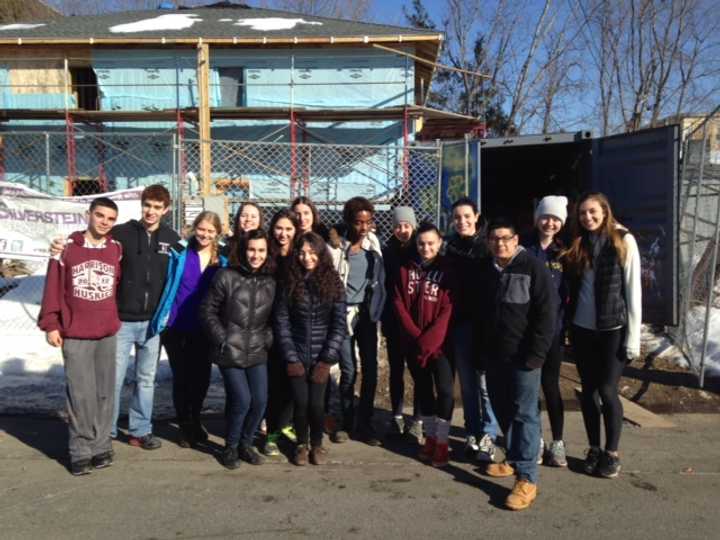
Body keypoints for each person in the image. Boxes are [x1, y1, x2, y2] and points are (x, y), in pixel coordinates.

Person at [52, 184, 180, 450]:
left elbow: (186, 264)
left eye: (157, 207)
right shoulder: (122, 233)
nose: (151, 211)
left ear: (166, 210)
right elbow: (91, 240)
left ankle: (140, 430)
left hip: (153, 323)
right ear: (141, 205)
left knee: (146, 379)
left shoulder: (172, 238)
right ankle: (105, 430)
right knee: (114, 378)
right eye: (147, 205)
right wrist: (65, 242)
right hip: (121, 320)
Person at [476, 217, 556, 511]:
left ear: (517, 240)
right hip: (496, 356)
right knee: (502, 409)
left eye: (506, 237)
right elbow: (482, 316)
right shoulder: (487, 270)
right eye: (495, 238)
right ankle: (512, 458)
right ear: (488, 242)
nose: (500, 243)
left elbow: (548, 314)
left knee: (525, 415)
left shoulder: (533, 268)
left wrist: (536, 355)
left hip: (524, 358)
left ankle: (527, 478)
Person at [38, 198, 123, 475]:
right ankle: (80, 450)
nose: (104, 222)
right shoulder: (67, 250)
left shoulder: (115, 250)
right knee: (79, 395)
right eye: (100, 215)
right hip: (76, 333)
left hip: (106, 333)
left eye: (110, 219)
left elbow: (117, 285)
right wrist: (51, 324)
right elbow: (52, 288)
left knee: (103, 394)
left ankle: (100, 446)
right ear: (89, 215)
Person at [562, 192, 641, 479]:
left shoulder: (623, 240)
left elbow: (633, 290)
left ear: (605, 211)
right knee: (589, 393)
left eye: (593, 211)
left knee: (607, 391)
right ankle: (594, 448)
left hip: (613, 330)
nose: (588, 217)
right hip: (583, 331)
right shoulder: (578, 243)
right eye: (582, 213)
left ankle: (612, 452)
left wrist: (633, 337)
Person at [199, 229, 276, 470]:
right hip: (229, 350)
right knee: (242, 399)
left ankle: (246, 443)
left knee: (261, 401)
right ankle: (230, 446)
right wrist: (222, 338)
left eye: (261, 250)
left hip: (256, 349)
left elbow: (274, 317)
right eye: (251, 249)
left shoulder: (270, 281)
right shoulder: (226, 276)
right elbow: (207, 310)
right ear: (243, 250)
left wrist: (267, 338)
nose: (256, 255)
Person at [149, 211, 227, 448]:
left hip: (205, 328)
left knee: (201, 378)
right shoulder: (180, 251)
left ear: (217, 234)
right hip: (177, 325)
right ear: (195, 228)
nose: (205, 234)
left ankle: (195, 419)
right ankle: (185, 426)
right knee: (182, 378)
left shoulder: (221, 259)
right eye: (201, 229)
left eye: (210, 231)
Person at [274, 232, 346, 465]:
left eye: (312, 252)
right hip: (296, 355)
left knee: (316, 404)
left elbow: (339, 325)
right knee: (301, 402)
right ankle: (301, 444)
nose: (307, 257)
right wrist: (291, 358)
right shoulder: (290, 281)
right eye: (302, 252)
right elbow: (282, 322)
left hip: (320, 357)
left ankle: (318, 444)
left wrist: (326, 360)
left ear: (321, 254)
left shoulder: (333, 283)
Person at [393, 223, 457, 467]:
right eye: (421, 243)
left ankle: (442, 442)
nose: (426, 247)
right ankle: (430, 438)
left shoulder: (448, 270)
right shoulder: (405, 269)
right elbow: (399, 304)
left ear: (439, 243)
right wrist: (417, 339)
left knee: (445, 391)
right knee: (423, 390)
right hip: (414, 345)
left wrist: (429, 342)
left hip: (440, 346)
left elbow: (449, 309)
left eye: (431, 243)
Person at [444, 197, 499, 462]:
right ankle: (472, 432)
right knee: (466, 384)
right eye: (457, 217)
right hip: (461, 323)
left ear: (477, 216)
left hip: (487, 325)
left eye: (467, 216)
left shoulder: (489, 245)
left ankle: (489, 434)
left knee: (485, 383)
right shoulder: (449, 247)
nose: (462, 221)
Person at [328, 197, 386, 445]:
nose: (363, 227)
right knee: (348, 368)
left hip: (367, 314)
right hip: (342, 313)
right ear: (348, 221)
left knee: (370, 369)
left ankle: (365, 422)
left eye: (368, 222)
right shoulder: (337, 247)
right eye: (358, 222)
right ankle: (347, 420)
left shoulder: (374, 244)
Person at [522, 196, 570, 467]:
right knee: (530, 389)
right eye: (545, 216)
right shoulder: (525, 249)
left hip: (554, 332)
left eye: (555, 218)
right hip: (528, 332)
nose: (549, 222)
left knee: (551, 387)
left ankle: (558, 441)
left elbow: (570, 292)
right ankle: (535, 439)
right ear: (537, 217)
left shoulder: (564, 252)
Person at [382, 206, 422, 442]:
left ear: (413, 226)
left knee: (417, 371)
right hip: (394, 319)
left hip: (417, 321)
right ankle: (396, 416)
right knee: (396, 370)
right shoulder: (388, 251)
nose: (402, 230)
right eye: (398, 226)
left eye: (406, 225)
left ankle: (417, 420)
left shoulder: (421, 248)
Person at [263, 209, 302, 456]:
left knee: (292, 383)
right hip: (268, 328)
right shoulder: (266, 254)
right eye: (279, 228)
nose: (283, 233)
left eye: (288, 229)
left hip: (295, 328)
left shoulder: (301, 256)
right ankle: (271, 435)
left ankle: (285, 425)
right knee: (273, 384)